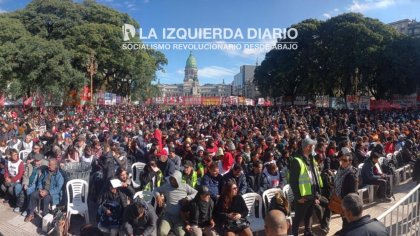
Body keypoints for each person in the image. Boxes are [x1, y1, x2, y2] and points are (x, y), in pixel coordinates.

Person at [289, 137, 324, 236]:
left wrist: (317, 193)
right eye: (312, 146)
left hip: (312, 192)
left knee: (309, 214)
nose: (314, 147)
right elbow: (293, 181)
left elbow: (314, 176)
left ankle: (308, 231)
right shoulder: (297, 161)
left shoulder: (311, 158)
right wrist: (298, 197)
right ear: (307, 147)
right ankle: (294, 234)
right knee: (299, 217)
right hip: (303, 195)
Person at [153, 170, 197, 236]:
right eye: (171, 179)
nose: (172, 181)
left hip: (180, 217)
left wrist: (187, 198)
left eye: (174, 180)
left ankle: (173, 229)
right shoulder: (167, 186)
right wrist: (158, 195)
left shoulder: (185, 186)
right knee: (161, 232)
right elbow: (155, 189)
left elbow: (196, 193)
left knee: (182, 234)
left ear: (178, 180)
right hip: (168, 215)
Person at [333, 153, 358, 228]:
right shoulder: (340, 170)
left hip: (347, 203)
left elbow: (353, 193)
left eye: (345, 160)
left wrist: (348, 207)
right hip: (340, 200)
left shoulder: (351, 175)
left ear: (350, 162)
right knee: (344, 221)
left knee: (347, 222)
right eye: (341, 159)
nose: (342, 161)